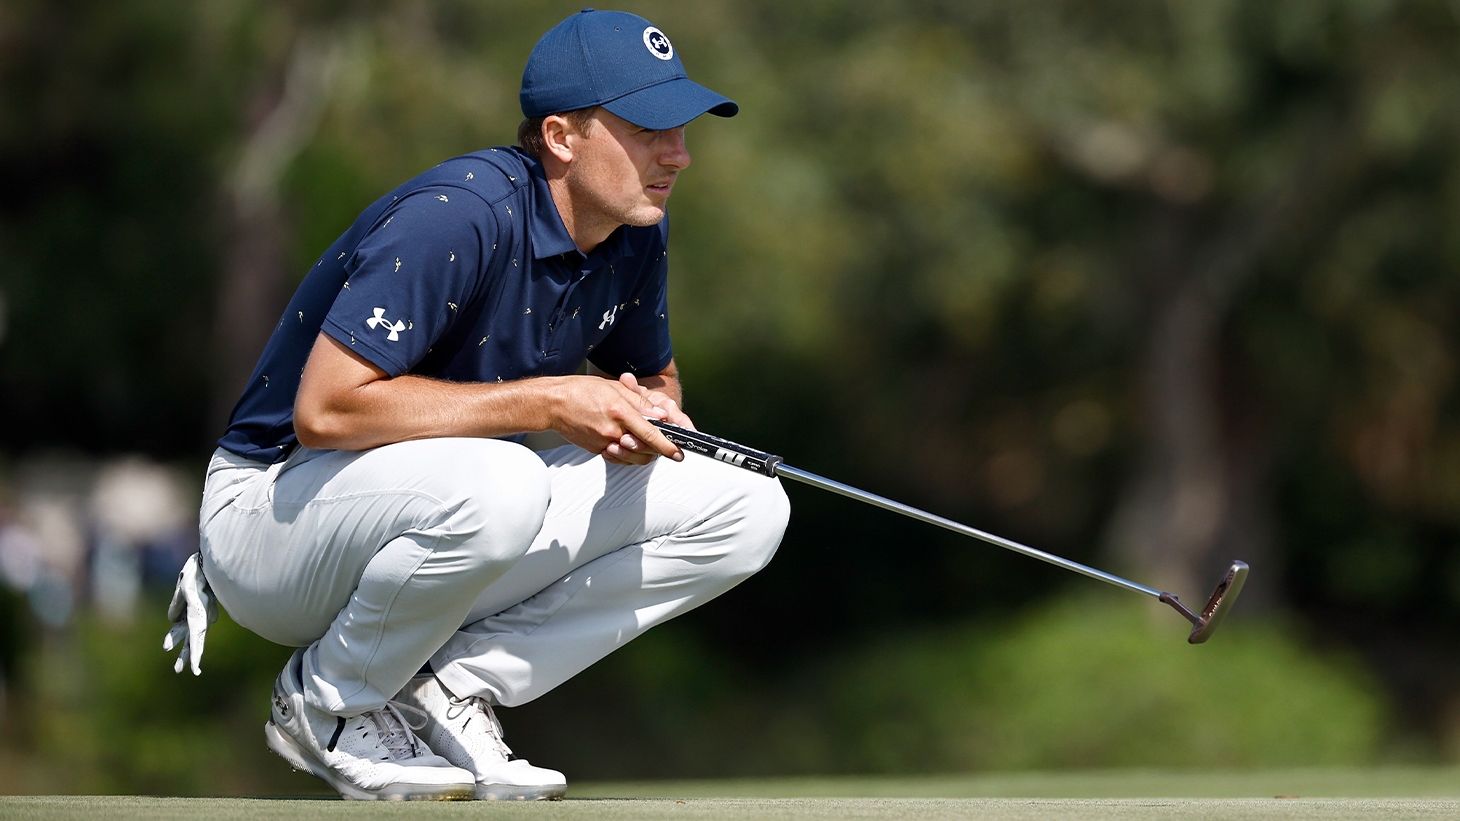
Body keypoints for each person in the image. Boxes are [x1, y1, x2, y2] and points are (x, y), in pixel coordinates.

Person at [164, 9, 790, 802]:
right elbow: (325, 412)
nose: (679, 154)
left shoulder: (635, 233)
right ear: (561, 137)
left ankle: (445, 685)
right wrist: (553, 400)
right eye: (647, 130)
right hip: (271, 517)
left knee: (746, 503)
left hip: (449, 519)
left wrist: (651, 415)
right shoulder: (458, 216)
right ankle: (328, 701)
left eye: (681, 129)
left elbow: (657, 379)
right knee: (505, 481)